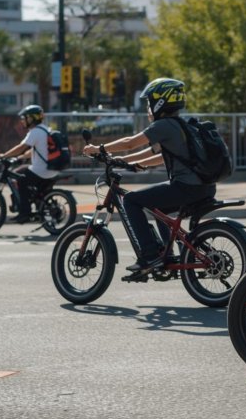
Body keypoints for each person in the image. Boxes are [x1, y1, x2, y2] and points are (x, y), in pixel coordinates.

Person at [82, 77, 216, 276]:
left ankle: (149, 255)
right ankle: (165, 255)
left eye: (149, 102)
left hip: (186, 187)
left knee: (131, 200)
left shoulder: (164, 126)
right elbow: (157, 156)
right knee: (157, 208)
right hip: (203, 187)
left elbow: (130, 142)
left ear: (160, 102)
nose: (148, 107)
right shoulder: (181, 125)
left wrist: (99, 148)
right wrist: (128, 162)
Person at [0, 105, 59, 223]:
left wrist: (4, 156)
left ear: (31, 119)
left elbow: (21, 147)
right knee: (22, 171)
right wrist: (21, 157)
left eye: (24, 118)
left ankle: (24, 213)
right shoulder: (47, 129)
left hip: (40, 171)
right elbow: (36, 150)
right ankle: (37, 203)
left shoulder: (35, 131)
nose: (22, 121)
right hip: (52, 170)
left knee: (20, 180)